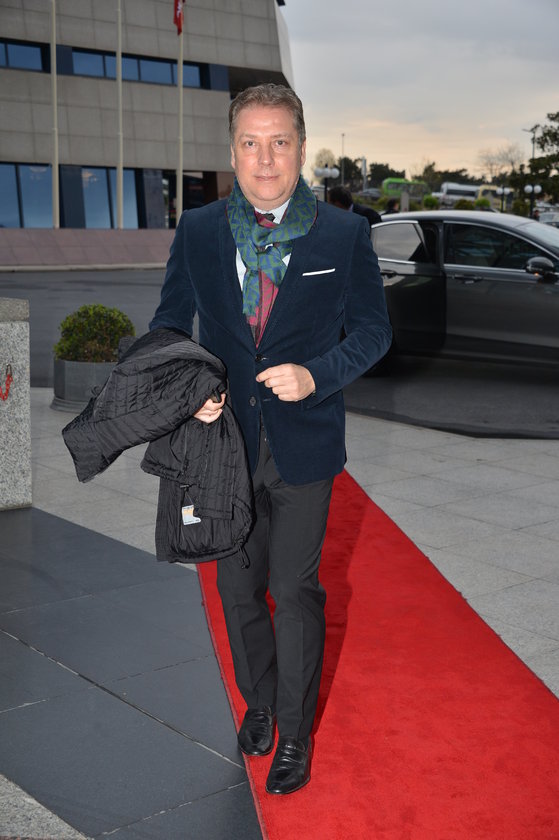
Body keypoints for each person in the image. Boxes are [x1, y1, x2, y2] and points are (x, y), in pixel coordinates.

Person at [150, 83, 392, 795]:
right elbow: (170, 324)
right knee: (236, 587)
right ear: (232, 152)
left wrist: (316, 375)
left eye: (278, 142)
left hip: (304, 446)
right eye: (250, 143)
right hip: (223, 445)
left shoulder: (342, 235)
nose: (264, 158)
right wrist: (190, 388)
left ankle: (293, 732)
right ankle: (257, 701)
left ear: (301, 149)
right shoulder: (198, 230)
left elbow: (373, 333)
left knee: (294, 587)